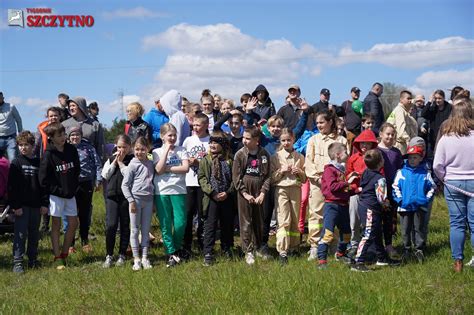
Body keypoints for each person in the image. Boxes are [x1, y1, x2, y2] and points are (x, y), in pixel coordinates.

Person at [433, 100, 474, 272]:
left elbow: (437, 165)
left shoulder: (446, 138)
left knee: (456, 223)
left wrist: (444, 179)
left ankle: (457, 262)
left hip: (452, 184)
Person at [305, 110, 348, 260]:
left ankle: (334, 245)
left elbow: (345, 163)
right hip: (317, 184)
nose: (319, 125)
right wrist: (317, 179)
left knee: (335, 214)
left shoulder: (341, 140)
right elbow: (308, 162)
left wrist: (338, 181)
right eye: (317, 123)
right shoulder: (313, 140)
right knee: (316, 213)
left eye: (321, 122)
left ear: (330, 122)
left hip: (336, 186)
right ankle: (315, 246)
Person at [38, 122, 80, 270]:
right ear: (51, 137)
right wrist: (56, 190)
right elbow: (43, 179)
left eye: (63, 134)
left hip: (71, 194)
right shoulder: (48, 154)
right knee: (56, 225)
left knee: (73, 224)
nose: (63, 137)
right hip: (55, 196)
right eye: (59, 135)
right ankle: (57, 257)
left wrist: (74, 187)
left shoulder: (71, 150)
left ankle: (64, 254)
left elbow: (76, 170)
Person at [351, 149, 400, 272]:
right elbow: (381, 197)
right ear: (380, 163)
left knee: (376, 232)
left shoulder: (366, 173)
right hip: (371, 209)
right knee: (368, 234)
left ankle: (381, 258)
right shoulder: (380, 179)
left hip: (364, 205)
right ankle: (359, 261)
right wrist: (387, 205)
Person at [9, 131, 48, 273]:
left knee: (34, 234)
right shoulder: (16, 163)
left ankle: (33, 259)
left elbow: (44, 185)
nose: (23, 148)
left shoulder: (39, 162)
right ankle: (18, 262)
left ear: (33, 146)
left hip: (36, 206)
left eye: (26, 145)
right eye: (20, 145)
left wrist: (45, 203)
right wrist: (16, 206)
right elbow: (12, 187)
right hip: (22, 207)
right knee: (20, 234)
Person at [232, 126, 271, 265]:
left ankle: (259, 246)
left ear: (256, 140)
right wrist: (244, 193)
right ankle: (248, 250)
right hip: (245, 190)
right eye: (243, 137)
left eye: (248, 138)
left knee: (259, 220)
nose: (244, 141)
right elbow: (236, 177)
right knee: (246, 221)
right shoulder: (240, 155)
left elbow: (267, 176)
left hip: (259, 189)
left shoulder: (264, 154)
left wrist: (263, 192)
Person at [153, 123, 190, 267]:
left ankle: (176, 247)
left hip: (179, 190)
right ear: (163, 137)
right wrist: (167, 150)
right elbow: (158, 170)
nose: (173, 138)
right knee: (166, 223)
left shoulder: (181, 150)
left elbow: (185, 168)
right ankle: (171, 252)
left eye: (174, 135)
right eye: (170, 135)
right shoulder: (156, 152)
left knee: (181, 223)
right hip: (162, 191)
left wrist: (168, 168)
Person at [317, 142, 358, 269]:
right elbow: (333, 187)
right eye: (346, 152)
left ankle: (341, 254)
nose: (348, 154)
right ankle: (322, 261)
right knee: (328, 233)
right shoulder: (329, 170)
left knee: (346, 233)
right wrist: (347, 182)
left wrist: (356, 190)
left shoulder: (341, 169)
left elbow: (344, 191)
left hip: (343, 206)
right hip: (332, 206)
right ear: (338, 155)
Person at [393, 145, 436, 264]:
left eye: (415, 157)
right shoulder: (401, 172)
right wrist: (400, 200)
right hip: (404, 207)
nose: (412, 160)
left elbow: (432, 187)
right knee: (405, 229)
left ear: (420, 158)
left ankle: (419, 249)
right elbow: (395, 187)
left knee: (419, 228)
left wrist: (425, 200)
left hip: (420, 206)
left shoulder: (425, 173)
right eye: (410, 158)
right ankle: (407, 249)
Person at [198, 131, 235, 266]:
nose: (213, 145)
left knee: (227, 224)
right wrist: (212, 192)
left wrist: (228, 192)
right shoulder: (205, 160)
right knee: (210, 225)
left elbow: (234, 179)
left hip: (227, 197)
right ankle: (208, 252)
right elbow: (202, 178)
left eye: (216, 142)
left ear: (223, 144)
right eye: (211, 142)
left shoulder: (229, 160)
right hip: (211, 198)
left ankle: (227, 248)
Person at [270, 128, 306, 264]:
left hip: (296, 189)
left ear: (293, 140)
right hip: (281, 189)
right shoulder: (276, 157)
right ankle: (282, 251)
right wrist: (281, 171)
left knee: (295, 219)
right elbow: (272, 178)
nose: (286, 143)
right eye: (283, 140)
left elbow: (304, 179)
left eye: (288, 140)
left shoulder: (300, 157)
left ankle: (294, 247)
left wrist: (299, 172)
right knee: (283, 219)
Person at [121, 136, 154, 271]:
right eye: (137, 149)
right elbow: (125, 185)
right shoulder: (132, 165)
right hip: (136, 200)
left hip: (149, 200)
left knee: (145, 230)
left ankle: (145, 257)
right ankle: (136, 259)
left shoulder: (151, 161)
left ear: (148, 149)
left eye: (142, 149)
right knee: (134, 230)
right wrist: (131, 201)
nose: (139, 152)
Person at [68, 126, 102, 253]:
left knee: (84, 214)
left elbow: (98, 164)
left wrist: (98, 180)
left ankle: (84, 241)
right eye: (72, 135)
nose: (75, 137)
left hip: (86, 183)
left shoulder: (89, 148)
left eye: (77, 135)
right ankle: (70, 244)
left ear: (81, 136)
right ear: (68, 137)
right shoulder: (66, 149)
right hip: (71, 185)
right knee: (71, 215)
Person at [101, 135, 134, 268]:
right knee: (111, 225)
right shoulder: (110, 159)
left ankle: (122, 254)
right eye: (119, 147)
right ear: (116, 146)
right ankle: (109, 255)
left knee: (125, 225)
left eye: (124, 147)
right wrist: (115, 162)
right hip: (112, 196)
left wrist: (121, 163)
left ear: (129, 147)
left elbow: (129, 175)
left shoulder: (132, 160)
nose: (121, 150)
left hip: (126, 197)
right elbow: (105, 175)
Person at [345, 129, 379, 257]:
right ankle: (354, 244)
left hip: (369, 194)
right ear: (358, 144)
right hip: (355, 192)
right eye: (362, 143)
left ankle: (368, 246)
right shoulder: (353, 158)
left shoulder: (375, 158)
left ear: (372, 145)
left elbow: (379, 174)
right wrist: (352, 176)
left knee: (368, 221)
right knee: (354, 220)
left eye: (367, 144)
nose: (364, 146)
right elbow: (347, 174)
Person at [182, 113, 210, 255]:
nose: (195, 127)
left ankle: (202, 243)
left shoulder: (209, 141)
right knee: (187, 214)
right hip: (189, 181)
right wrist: (188, 161)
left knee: (202, 214)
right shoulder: (188, 140)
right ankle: (186, 245)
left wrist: (200, 162)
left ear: (206, 125)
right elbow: (183, 157)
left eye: (199, 125)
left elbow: (212, 162)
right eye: (194, 124)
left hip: (203, 184)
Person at [377, 123, 404, 258]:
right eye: (388, 134)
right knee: (376, 219)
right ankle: (376, 246)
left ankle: (388, 245)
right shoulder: (376, 150)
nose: (390, 136)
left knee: (389, 219)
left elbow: (400, 169)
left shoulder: (396, 152)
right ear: (381, 134)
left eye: (393, 134)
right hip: (379, 190)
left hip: (392, 190)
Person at [421, 89, 452, 159]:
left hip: (445, 138)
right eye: (436, 98)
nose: (437, 100)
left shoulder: (449, 108)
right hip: (433, 141)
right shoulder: (433, 108)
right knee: (432, 161)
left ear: (443, 98)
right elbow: (423, 114)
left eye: (439, 98)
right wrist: (429, 101)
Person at [386, 90, 418, 155]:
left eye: (411, 99)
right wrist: (408, 141)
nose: (410, 101)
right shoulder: (400, 110)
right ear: (401, 100)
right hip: (399, 145)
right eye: (408, 98)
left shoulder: (404, 112)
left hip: (401, 144)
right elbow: (401, 129)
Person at [0, 91, 23, 161]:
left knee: (12, 159)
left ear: (3, 98)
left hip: (11, 138)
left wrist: (20, 133)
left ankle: (13, 172)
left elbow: (18, 119)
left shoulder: (11, 106)